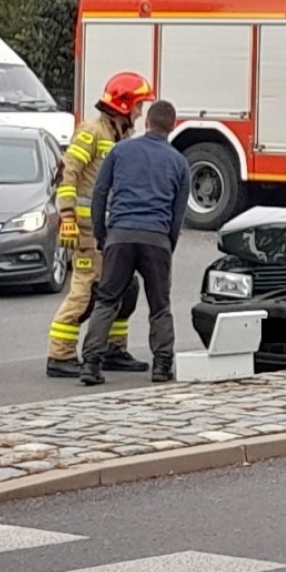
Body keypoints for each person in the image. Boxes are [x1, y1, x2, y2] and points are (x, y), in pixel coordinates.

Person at [44, 72, 154, 378]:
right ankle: (60, 355)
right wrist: (67, 218)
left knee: (124, 287)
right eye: (138, 106)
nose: (140, 113)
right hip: (86, 230)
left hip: (111, 229)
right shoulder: (92, 132)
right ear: (123, 105)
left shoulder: (118, 136)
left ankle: (112, 349)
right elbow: (68, 175)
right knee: (86, 290)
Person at [79, 100, 190, 386]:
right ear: (172, 126)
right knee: (160, 305)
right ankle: (162, 366)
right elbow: (178, 214)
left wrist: (102, 234)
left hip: (121, 235)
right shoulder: (179, 162)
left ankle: (91, 364)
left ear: (146, 122)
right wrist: (168, 244)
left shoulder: (120, 151)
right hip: (157, 239)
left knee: (107, 300)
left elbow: (100, 193)